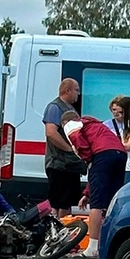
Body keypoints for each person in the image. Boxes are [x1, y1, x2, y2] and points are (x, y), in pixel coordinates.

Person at [61, 111, 127, 259]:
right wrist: (87, 193)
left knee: (96, 205)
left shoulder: (71, 124)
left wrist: (86, 156)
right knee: (111, 202)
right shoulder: (97, 125)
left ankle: (92, 248)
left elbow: (76, 137)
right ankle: (110, 244)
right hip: (120, 154)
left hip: (101, 155)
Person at [42, 78, 85, 217]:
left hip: (70, 165)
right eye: (76, 90)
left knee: (68, 204)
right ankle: (53, 232)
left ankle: (64, 232)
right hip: (58, 164)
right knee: (56, 203)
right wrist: (69, 149)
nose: (78, 94)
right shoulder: (55, 107)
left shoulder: (70, 108)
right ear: (67, 91)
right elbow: (51, 132)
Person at [104, 95, 130, 183]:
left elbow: (128, 146)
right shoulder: (126, 124)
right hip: (127, 165)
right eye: (115, 110)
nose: (118, 115)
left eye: (121, 112)